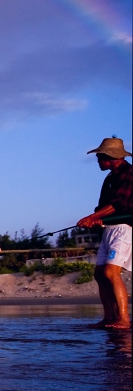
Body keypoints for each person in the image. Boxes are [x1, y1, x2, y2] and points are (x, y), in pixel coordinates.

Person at [77, 137, 132, 330]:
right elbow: (104, 207)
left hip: (124, 229)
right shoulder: (109, 178)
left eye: (100, 158)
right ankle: (109, 317)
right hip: (109, 230)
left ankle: (124, 319)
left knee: (110, 272)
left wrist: (92, 217)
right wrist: (98, 218)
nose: (98, 162)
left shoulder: (129, 173)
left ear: (110, 157)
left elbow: (119, 204)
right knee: (100, 274)